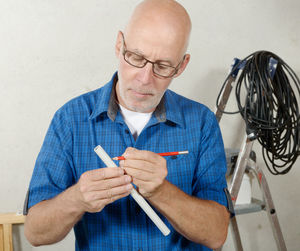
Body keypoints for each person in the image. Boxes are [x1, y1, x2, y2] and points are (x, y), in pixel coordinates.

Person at [24, 0, 233, 250]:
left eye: (163, 66)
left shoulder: (201, 123)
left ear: (182, 65)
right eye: (136, 58)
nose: (145, 79)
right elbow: (35, 232)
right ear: (119, 44)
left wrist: (161, 191)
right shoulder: (70, 119)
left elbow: (216, 234)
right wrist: (78, 198)